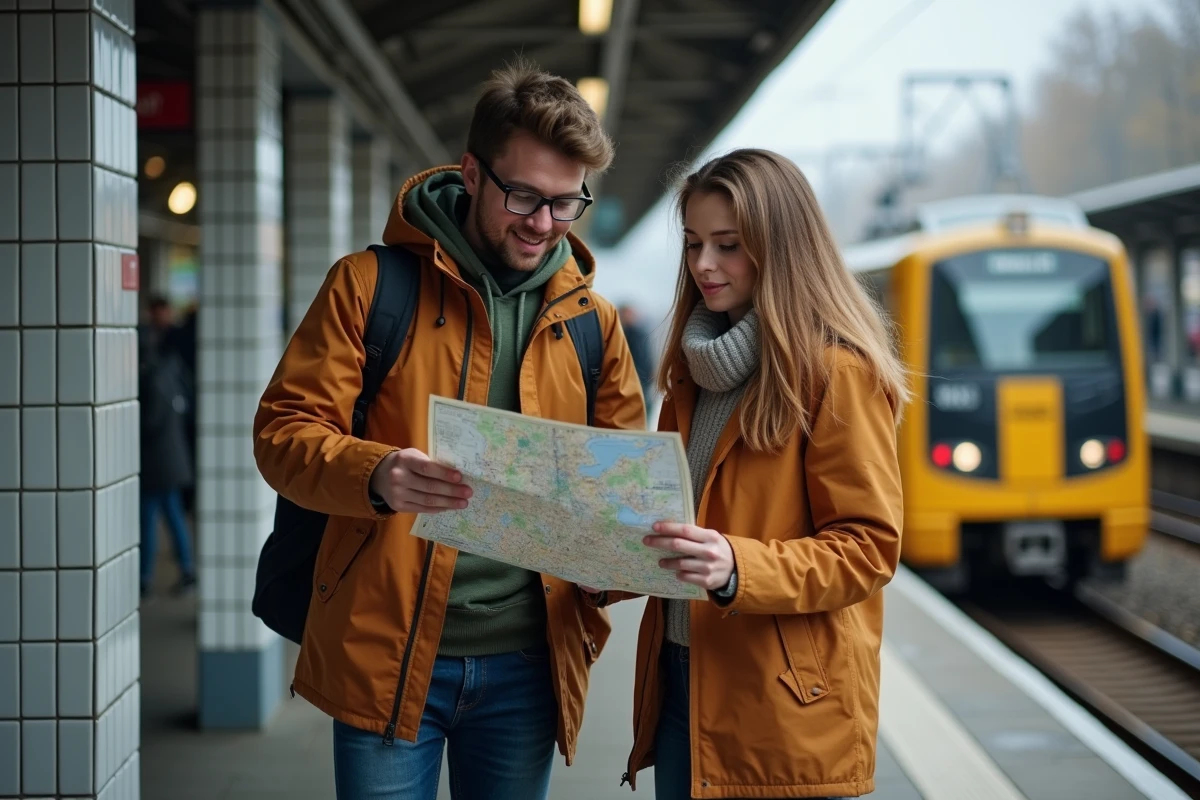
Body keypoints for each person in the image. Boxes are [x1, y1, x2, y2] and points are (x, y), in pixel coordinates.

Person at [252, 59, 646, 800]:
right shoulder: (369, 287)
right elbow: (282, 431)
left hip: (529, 666)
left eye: (567, 204)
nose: (542, 224)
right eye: (524, 194)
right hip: (386, 652)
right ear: (471, 172)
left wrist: (613, 562)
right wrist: (374, 472)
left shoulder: (593, 326)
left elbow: (618, 492)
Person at [588, 149, 908, 799]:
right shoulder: (690, 374)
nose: (704, 265)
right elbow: (674, 530)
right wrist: (601, 561)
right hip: (680, 679)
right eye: (693, 243)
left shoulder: (837, 374)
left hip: (780, 704)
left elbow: (870, 550)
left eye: (728, 246)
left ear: (781, 248)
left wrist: (737, 567)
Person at [137, 328, 197, 597]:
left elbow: (150, 421)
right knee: (173, 515)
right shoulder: (171, 371)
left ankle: (144, 577)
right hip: (173, 459)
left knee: (148, 519)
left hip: (156, 464)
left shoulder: (151, 379)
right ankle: (186, 569)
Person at [619, 303, 656, 403]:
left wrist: (651, 370)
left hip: (643, 376)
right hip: (631, 378)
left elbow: (646, 354)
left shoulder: (640, 332)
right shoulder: (622, 334)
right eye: (628, 313)